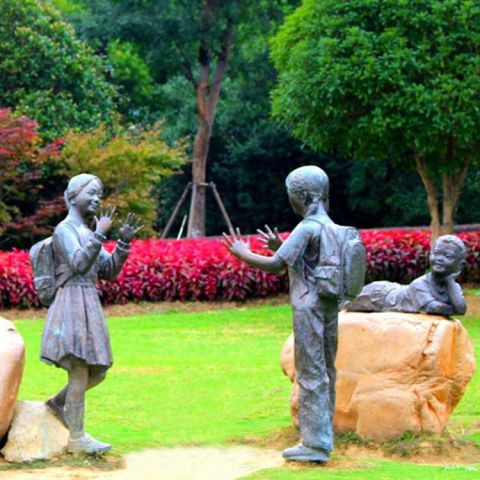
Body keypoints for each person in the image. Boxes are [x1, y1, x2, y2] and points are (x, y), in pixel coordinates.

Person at [223, 165, 354, 463]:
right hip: (329, 304)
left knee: (310, 372)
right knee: (326, 369)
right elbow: (311, 263)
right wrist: (282, 246)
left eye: (291, 194)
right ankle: (323, 436)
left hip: (309, 307)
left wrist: (242, 252)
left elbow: (275, 265)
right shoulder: (332, 227)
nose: (290, 199)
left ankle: (315, 444)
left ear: (304, 196)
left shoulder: (307, 227)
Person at [40, 173, 142, 454]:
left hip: (88, 302)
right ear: (73, 196)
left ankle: (57, 403)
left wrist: (123, 243)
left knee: (98, 372)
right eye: (92, 192)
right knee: (80, 369)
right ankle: (77, 439)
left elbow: (107, 271)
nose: (97, 199)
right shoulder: (64, 230)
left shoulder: (86, 231)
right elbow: (78, 263)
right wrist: (100, 234)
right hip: (71, 302)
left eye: (100, 194)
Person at [346, 235, 467, 315]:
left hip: (392, 290)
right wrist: (453, 309)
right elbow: (434, 308)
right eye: (436, 253)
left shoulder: (452, 286)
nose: (440, 259)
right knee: (348, 303)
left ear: (460, 265)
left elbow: (461, 309)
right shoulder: (420, 285)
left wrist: (450, 281)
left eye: (448, 256)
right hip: (382, 296)